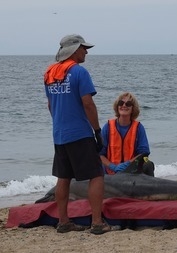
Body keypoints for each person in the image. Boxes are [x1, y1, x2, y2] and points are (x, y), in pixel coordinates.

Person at [44, 34, 114, 235]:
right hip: (80, 133)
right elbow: (88, 104)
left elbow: (50, 105)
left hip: (59, 134)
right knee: (96, 175)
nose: (86, 51)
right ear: (74, 49)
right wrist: (97, 131)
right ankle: (97, 223)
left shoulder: (49, 73)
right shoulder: (79, 72)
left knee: (63, 177)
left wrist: (60, 123)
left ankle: (64, 222)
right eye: (84, 48)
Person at [100, 92, 155, 176]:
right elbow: (99, 154)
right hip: (110, 172)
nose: (124, 106)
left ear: (133, 108)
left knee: (148, 164)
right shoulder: (108, 127)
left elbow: (144, 153)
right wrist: (112, 166)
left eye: (128, 104)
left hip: (131, 171)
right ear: (117, 106)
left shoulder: (138, 128)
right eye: (121, 103)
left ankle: (150, 188)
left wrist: (128, 164)